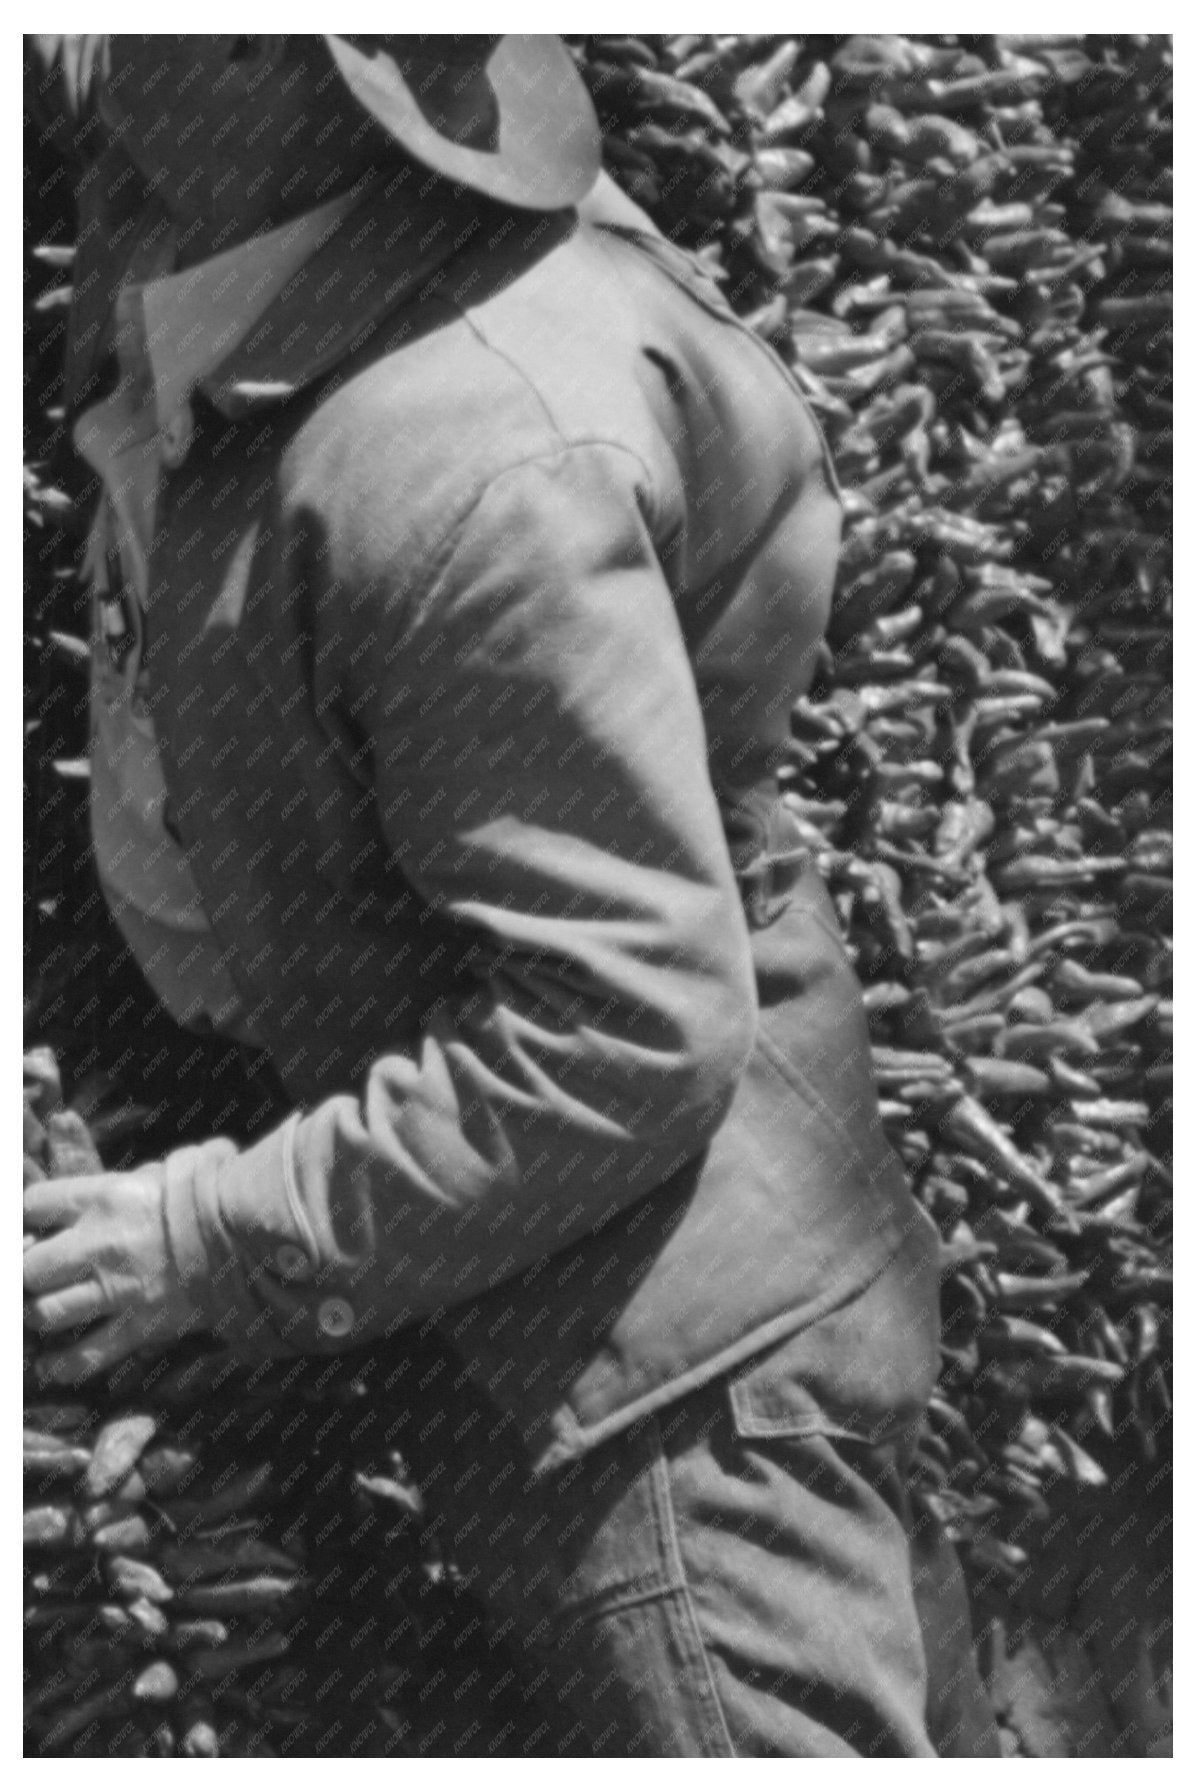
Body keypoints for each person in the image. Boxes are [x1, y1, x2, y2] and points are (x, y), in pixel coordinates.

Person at [24, 35, 998, 1757]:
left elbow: (620, 1032)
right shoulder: (244, 224)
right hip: (598, 1294)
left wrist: (214, 1239)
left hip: (666, 1410)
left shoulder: (461, 470)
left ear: (274, 69)